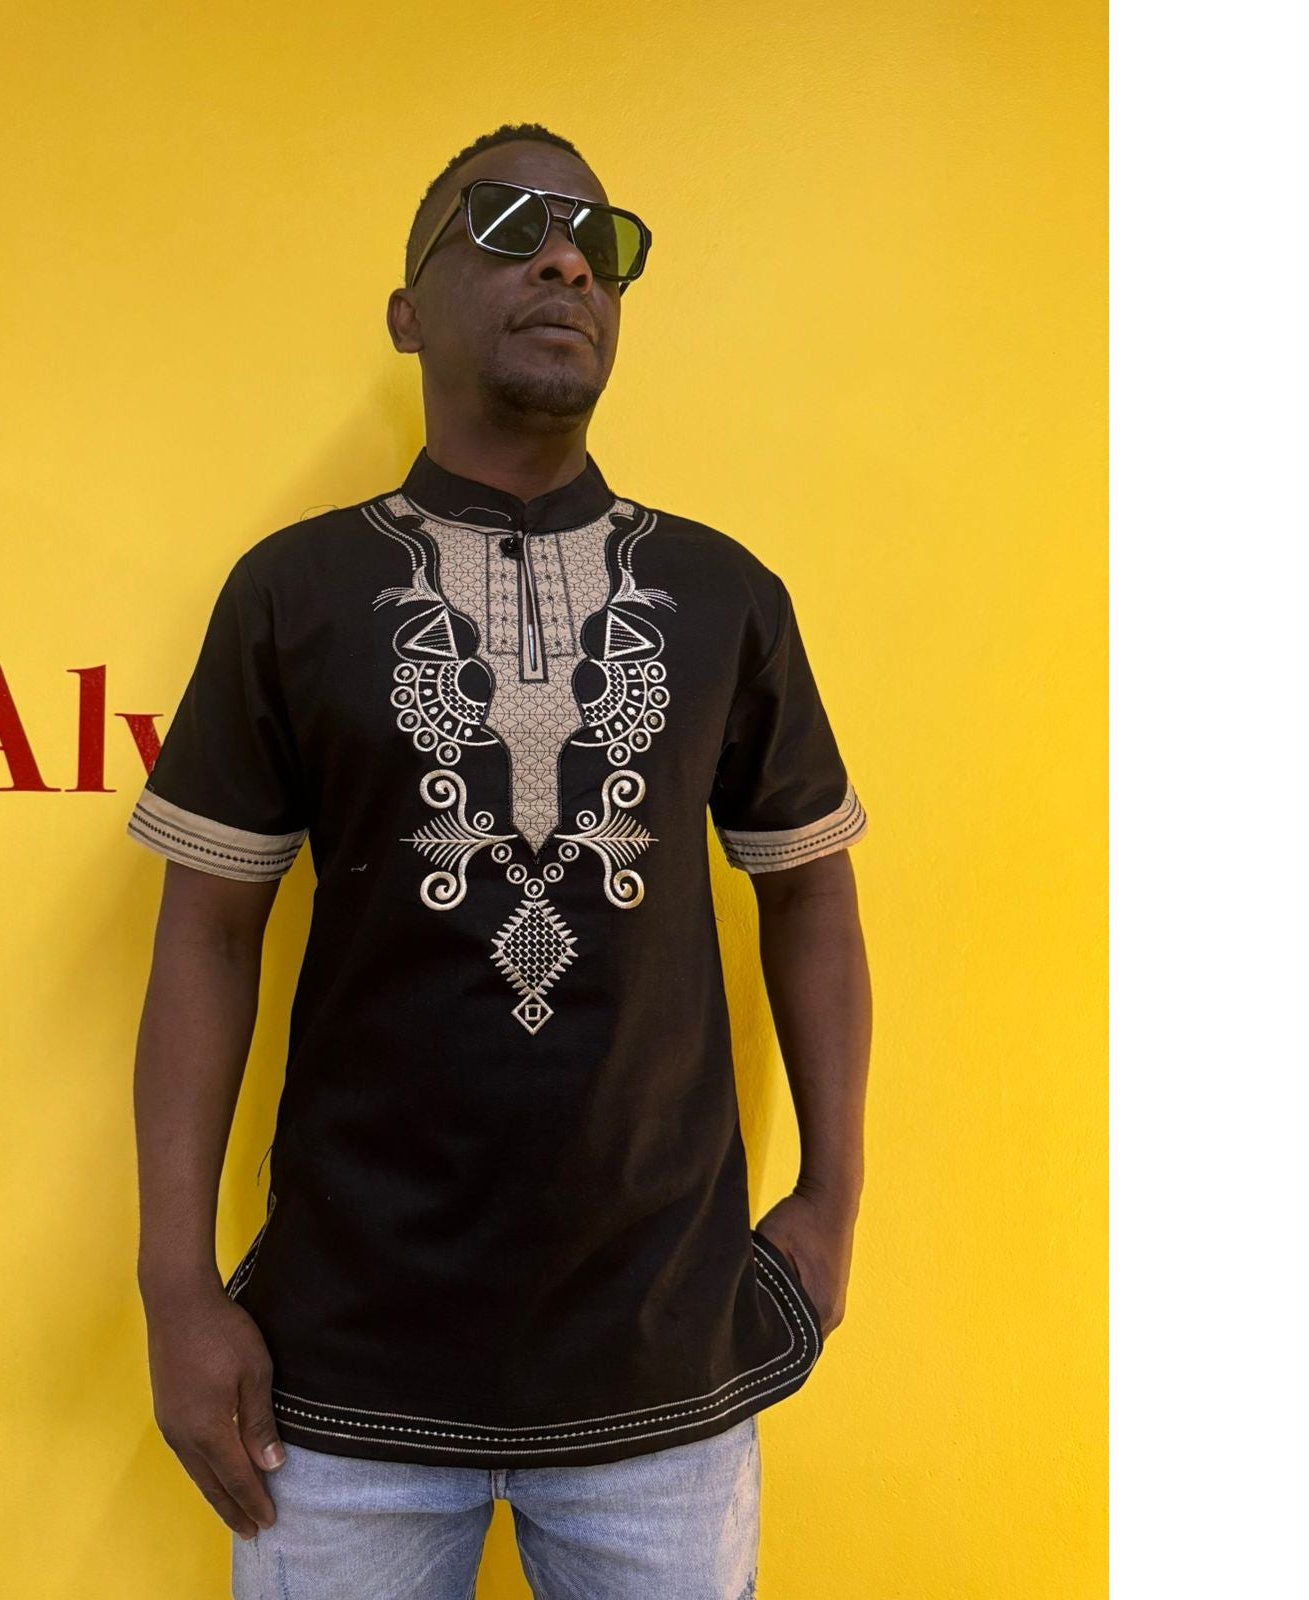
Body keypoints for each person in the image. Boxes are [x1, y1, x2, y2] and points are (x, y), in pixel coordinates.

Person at [128, 121, 872, 1600]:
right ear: (407, 311)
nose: (565, 263)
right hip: (339, 1385)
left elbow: (810, 891)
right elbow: (205, 935)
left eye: (602, 244)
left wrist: (835, 1201)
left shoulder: (724, 594)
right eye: (509, 225)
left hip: (664, 1374)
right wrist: (175, 1288)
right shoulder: (293, 592)